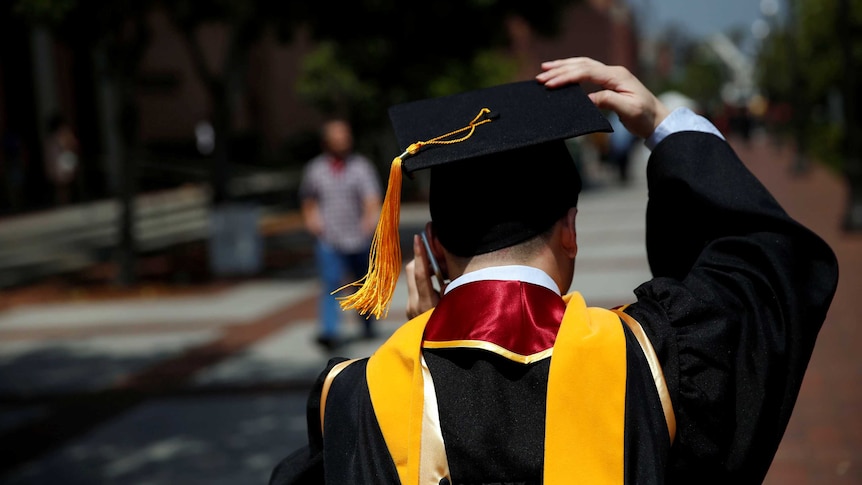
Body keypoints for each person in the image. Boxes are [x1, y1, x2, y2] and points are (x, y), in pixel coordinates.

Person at [270, 57, 838, 484]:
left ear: (432, 251)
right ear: (570, 229)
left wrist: (418, 345)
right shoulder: (652, 361)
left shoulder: (356, 397)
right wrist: (666, 127)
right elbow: (767, 264)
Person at [298, 118, 383, 350]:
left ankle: (367, 325)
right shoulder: (315, 169)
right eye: (337, 136)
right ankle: (329, 331)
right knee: (330, 283)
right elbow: (308, 197)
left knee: (362, 284)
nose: (343, 140)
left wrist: (369, 222)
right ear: (327, 141)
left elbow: (371, 197)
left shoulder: (361, 166)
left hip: (357, 236)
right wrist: (312, 220)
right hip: (329, 238)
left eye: (345, 136)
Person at [43, 114, 80, 206]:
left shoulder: (63, 134)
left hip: (64, 160)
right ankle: (64, 202)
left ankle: (66, 201)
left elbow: (71, 144)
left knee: (64, 184)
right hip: (60, 161)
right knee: (62, 184)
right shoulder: (54, 137)